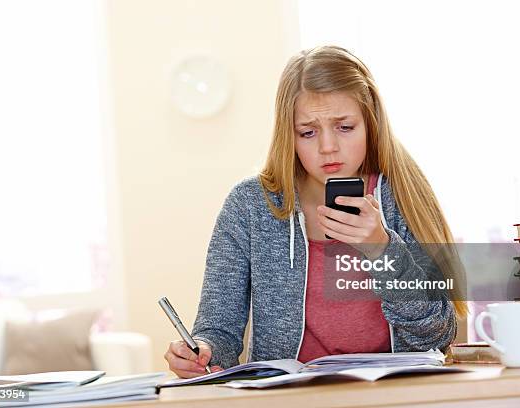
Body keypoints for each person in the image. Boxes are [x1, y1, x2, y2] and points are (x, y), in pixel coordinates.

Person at [164, 45, 467, 378]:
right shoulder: (249, 206)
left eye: (345, 127)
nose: (327, 147)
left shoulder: (403, 195)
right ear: (288, 135)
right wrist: (201, 350)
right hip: (288, 396)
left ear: (370, 123)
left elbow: (438, 333)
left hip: (392, 394)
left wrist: (382, 249)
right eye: (307, 132)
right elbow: (219, 330)